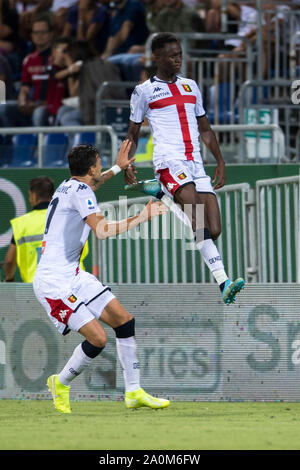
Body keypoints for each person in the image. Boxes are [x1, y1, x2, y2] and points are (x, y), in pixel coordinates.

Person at [33, 140, 170, 414]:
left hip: (72, 273)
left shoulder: (70, 185)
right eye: (99, 163)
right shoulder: (81, 190)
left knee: (123, 320)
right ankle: (60, 382)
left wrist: (118, 168)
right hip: (54, 282)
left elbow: (93, 184)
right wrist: (142, 216)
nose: (100, 167)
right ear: (92, 167)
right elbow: (102, 231)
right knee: (98, 339)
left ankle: (133, 392)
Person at [125, 32, 245, 305]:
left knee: (214, 229)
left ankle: (161, 195)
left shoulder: (191, 86)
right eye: (172, 55)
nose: (178, 59)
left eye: (179, 54)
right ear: (157, 58)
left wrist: (221, 160)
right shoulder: (143, 91)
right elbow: (132, 133)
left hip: (196, 164)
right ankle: (223, 282)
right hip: (169, 161)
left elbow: (205, 127)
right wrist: (127, 162)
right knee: (197, 218)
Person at [4, 176, 89, 282]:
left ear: (34, 196)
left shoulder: (21, 224)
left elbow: (9, 261)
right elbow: (83, 250)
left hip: (37, 288)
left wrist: (9, 277)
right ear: (53, 195)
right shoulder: (71, 218)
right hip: (72, 283)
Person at [0, 13, 54, 128]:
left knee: (38, 114)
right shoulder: (29, 59)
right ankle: (12, 142)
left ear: (51, 34)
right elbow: (25, 87)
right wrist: (22, 102)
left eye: (43, 32)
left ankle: (40, 145)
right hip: (32, 103)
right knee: (3, 108)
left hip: (51, 104)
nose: (39, 36)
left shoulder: (57, 57)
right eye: (36, 33)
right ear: (32, 36)